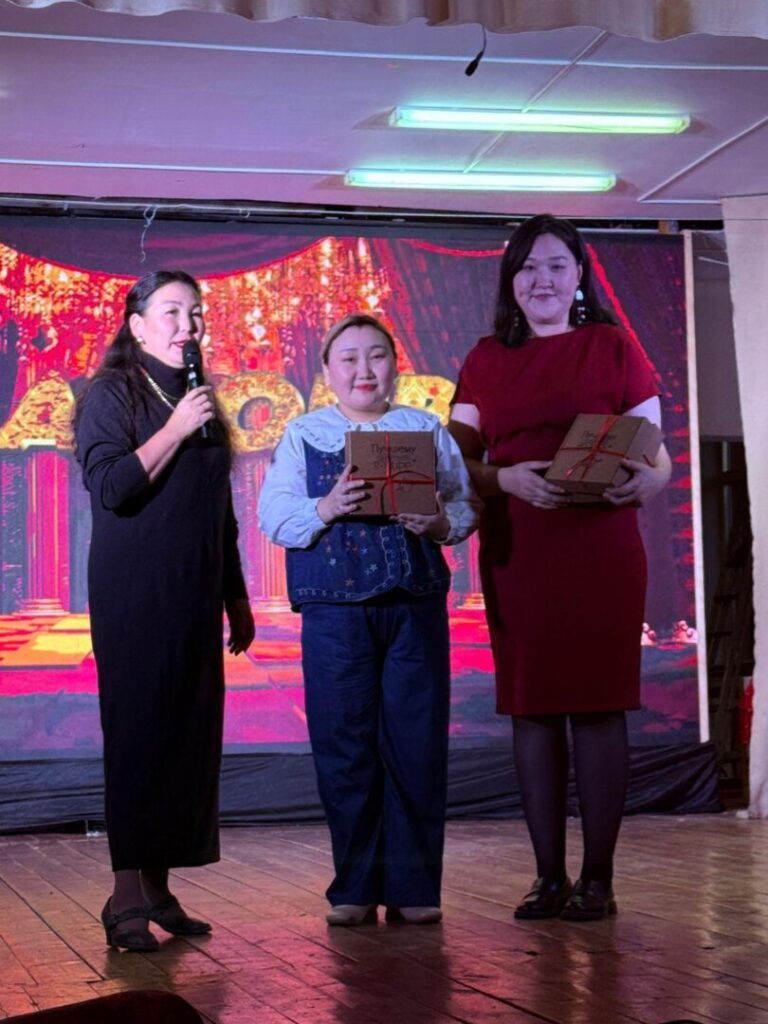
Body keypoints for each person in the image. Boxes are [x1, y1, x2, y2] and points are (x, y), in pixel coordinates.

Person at [449, 215, 672, 921]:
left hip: (601, 543)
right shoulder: (485, 358)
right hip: (520, 547)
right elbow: (458, 462)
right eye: (527, 267)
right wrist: (506, 480)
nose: (541, 279)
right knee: (534, 709)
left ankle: (598, 880)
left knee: (600, 706)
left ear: (578, 276)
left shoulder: (613, 346)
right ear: (510, 281)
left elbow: (655, 452)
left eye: (555, 265)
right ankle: (548, 878)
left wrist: (651, 481)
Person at [258, 313, 477, 927]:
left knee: (416, 742)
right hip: (335, 611)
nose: (363, 369)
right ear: (327, 372)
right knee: (345, 745)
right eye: (348, 358)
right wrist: (326, 507)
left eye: (376, 356)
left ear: (395, 367)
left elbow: (463, 503)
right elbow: (273, 515)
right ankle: (354, 887)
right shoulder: (304, 433)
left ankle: (413, 887)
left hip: (414, 604)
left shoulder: (424, 428)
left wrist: (439, 523)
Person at [74, 270, 255, 951]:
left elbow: (218, 509)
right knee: (140, 735)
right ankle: (125, 896)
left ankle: (158, 889)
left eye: (196, 313)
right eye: (172, 311)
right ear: (137, 324)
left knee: (184, 737)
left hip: (194, 591)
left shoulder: (198, 395)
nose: (188, 325)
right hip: (135, 592)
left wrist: (235, 594)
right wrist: (176, 430)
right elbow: (111, 485)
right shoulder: (111, 392)